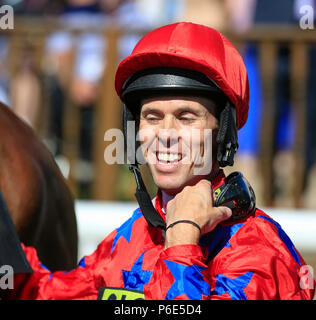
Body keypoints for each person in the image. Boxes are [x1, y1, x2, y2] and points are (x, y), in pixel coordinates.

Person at [1, 22, 315, 300]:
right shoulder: (132, 235)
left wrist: (181, 239)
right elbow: (51, 292)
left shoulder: (258, 254)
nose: (165, 134)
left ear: (222, 134)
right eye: (152, 117)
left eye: (186, 117)